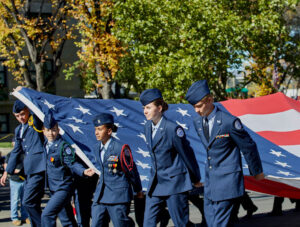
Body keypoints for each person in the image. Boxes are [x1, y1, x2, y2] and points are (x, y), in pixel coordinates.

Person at [185, 80, 264, 227]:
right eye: (193, 107)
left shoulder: (229, 122)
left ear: (210, 100)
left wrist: (257, 171)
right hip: (210, 184)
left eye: (199, 106)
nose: (196, 110)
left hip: (228, 182)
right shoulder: (198, 123)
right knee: (211, 223)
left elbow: (248, 147)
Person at [139, 88, 202, 226]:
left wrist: (195, 178)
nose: (145, 111)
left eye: (148, 107)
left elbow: (187, 155)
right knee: (148, 223)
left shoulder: (172, 129)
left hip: (175, 184)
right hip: (156, 183)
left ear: (159, 108)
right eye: (144, 108)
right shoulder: (147, 127)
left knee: (181, 223)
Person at [85, 113, 143, 227]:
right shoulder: (96, 148)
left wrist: (138, 190)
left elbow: (132, 171)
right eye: (95, 129)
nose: (96, 132)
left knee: (120, 223)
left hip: (118, 195)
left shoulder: (120, 148)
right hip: (101, 195)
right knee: (96, 223)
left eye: (100, 129)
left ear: (109, 131)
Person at [41, 112, 92, 227]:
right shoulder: (45, 145)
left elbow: (72, 163)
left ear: (58, 130)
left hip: (63, 187)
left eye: (53, 130)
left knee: (47, 215)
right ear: (43, 131)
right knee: (67, 220)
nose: (51, 133)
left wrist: (83, 171)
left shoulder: (63, 146)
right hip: (53, 188)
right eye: (48, 130)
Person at [5, 98, 46, 227]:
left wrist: (25, 94)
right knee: (33, 203)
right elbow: (16, 151)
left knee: (27, 201)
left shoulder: (35, 122)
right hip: (28, 170)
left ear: (28, 110)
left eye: (23, 114)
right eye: (17, 116)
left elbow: (38, 109)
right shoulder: (19, 130)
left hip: (39, 168)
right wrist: (7, 172)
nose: (21, 118)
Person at [0, 140, 30, 226]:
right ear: (12, 143)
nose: (17, 144)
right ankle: (14, 217)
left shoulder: (25, 153)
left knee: (24, 200)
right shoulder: (10, 154)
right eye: (15, 142)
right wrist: (12, 170)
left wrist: (21, 169)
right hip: (15, 180)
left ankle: (25, 216)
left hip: (24, 179)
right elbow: (6, 166)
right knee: (15, 200)